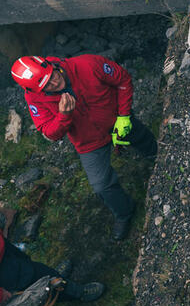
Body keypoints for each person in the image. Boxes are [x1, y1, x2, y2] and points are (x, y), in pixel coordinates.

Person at [11, 54, 157, 241]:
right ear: (34, 90)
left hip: (115, 118)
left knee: (139, 135)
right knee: (101, 185)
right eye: (47, 86)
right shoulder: (34, 99)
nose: (55, 83)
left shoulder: (87, 64)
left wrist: (124, 115)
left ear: (53, 65)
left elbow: (122, 79)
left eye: (53, 75)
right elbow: (49, 133)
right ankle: (125, 211)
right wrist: (64, 116)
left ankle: (155, 154)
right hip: (88, 141)